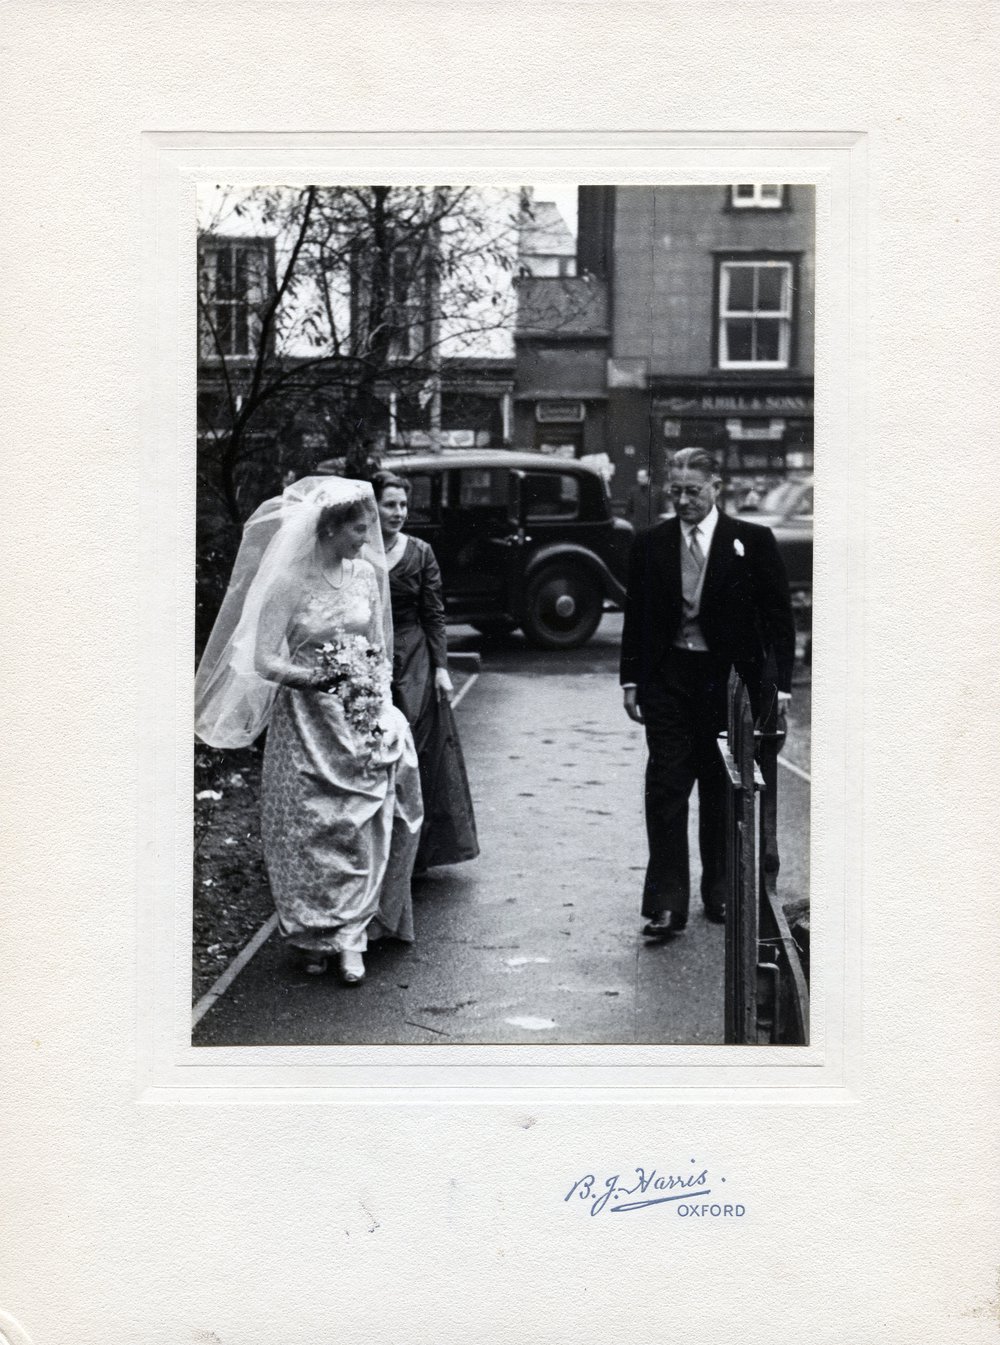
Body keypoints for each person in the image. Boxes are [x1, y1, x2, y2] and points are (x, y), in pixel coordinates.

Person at [194, 476, 423, 985]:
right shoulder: (288, 583)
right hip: (305, 723)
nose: (369, 539)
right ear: (329, 530)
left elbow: (378, 646)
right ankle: (313, 934)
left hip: (360, 716)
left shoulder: (365, 576)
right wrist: (320, 677)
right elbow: (264, 659)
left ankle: (352, 936)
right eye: (360, 529)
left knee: (361, 825)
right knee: (312, 831)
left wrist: (377, 701)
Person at [620, 447, 795, 940]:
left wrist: (779, 688)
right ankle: (666, 903)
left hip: (729, 685)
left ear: (716, 487)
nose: (682, 501)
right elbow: (638, 618)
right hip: (669, 681)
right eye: (674, 491)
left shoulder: (752, 542)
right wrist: (631, 679)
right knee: (667, 788)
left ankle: (719, 890)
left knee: (723, 788)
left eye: (692, 491)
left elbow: (780, 620)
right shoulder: (650, 544)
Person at [372, 471, 479, 872]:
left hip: (413, 656)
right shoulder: (359, 550)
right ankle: (379, 849)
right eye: (390, 505)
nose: (398, 513)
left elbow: (434, 614)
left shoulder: (420, 552)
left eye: (403, 505)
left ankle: (417, 853)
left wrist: (441, 668)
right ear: (374, 506)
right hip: (370, 653)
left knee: (416, 747)